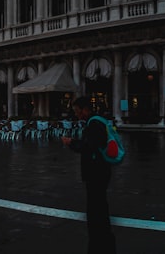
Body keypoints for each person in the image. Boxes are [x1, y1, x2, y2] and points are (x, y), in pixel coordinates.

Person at [62, 97, 116, 253]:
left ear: (84, 109)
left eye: (77, 111)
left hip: (96, 171)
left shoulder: (94, 123)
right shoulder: (98, 121)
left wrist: (71, 143)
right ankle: (101, 231)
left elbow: (88, 146)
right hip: (101, 169)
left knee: (95, 204)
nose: (77, 114)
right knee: (99, 202)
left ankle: (99, 234)